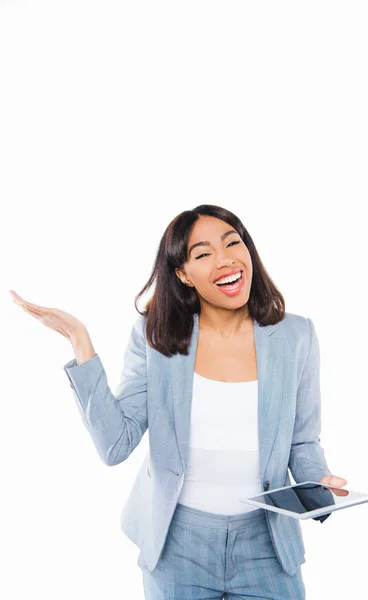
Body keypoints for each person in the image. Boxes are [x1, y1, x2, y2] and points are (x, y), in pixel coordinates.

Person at [10, 204, 347, 600]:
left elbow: (303, 441)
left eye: (232, 243)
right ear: (183, 274)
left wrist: (317, 481)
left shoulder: (295, 335)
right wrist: (80, 342)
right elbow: (115, 445)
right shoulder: (155, 337)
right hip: (178, 544)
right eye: (203, 254)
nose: (225, 260)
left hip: (268, 544)